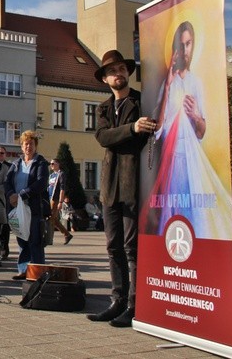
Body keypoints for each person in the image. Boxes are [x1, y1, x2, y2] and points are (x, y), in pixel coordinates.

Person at [143, 21, 231, 239]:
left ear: (194, 45)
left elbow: (201, 132)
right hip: (172, 160)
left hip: (192, 160)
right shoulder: (168, 83)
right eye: (180, 45)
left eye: (188, 44)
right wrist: (169, 86)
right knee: (172, 213)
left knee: (193, 212)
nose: (184, 50)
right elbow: (159, 129)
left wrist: (195, 116)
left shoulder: (197, 83)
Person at [88, 49, 152, 328]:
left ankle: (134, 305)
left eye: (122, 69)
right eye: (112, 71)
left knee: (131, 248)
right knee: (113, 245)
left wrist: (134, 130)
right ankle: (117, 300)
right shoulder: (103, 108)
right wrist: (131, 129)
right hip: (109, 185)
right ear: (105, 78)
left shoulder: (140, 102)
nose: (118, 73)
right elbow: (102, 137)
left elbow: (141, 138)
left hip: (133, 182)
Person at [5, 130, 49, 281]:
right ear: (21, 147)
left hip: (33, 207)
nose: (28, 147)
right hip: (17, 208)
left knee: (35, 241)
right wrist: (11, 194)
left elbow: (41, 183)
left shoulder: (41, 163)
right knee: (22, 239)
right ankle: (23, 269)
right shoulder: (16, 163)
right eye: (25, 144)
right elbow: (8, 181)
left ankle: (37, 272)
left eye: (31, 144)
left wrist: (22, 194)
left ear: (35, 146)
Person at [48, 159, 73, 245]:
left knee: (52, 218)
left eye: (53, 164)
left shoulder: (61, 174)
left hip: (56, 199)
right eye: (50, 164)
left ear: (58, 164)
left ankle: (49, 239)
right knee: (53, 218)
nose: (51, 165)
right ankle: (66, 234)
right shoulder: (51, 175)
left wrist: (61, 201)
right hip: (50, 198)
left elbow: (62, 189)